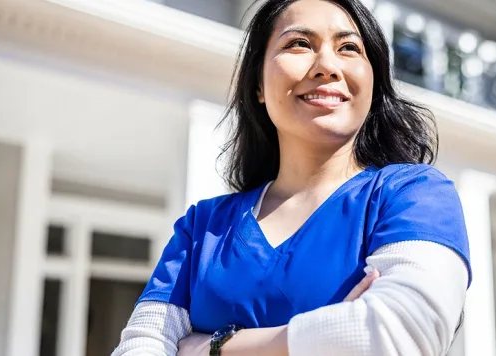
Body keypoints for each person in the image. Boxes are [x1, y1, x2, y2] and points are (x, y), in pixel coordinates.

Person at [111, 0, 471, 355]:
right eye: (299, 43)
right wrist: (332, 333)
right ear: (258, 87)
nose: (328, 66)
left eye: (349, 48)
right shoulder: (202, 227)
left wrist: (211, 347)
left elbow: (397, 334)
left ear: (374, 83)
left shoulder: (415, 196)